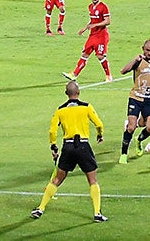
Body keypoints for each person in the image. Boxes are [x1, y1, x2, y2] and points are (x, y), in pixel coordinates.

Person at [30, 80, 107, 223]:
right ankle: (97, 213)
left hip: (68, 147)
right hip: (83, 146)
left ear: (66, 94)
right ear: (78, 92)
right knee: (92, 180)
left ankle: (40, 208)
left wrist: (53, 147)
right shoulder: (86, 107)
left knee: (57, 179)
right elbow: (99, 124)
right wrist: (100, 134)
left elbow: (52, 131)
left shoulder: (60, 110)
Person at [63, 0, 112, 82]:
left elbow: (108, 21)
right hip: (93, 35)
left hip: (101, 35)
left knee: (100, 56)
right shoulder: (90, 7)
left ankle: (108, 76)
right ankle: (74, 74)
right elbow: (92, 21)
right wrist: (85, 28)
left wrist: (95, 25)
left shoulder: (103, 7)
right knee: (85, 54)